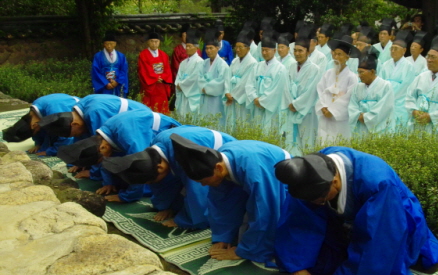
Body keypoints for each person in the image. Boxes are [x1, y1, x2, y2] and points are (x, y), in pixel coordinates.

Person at [273, 148, 438, 275]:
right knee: (318, 269)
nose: (317, 203)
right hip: (347, 224)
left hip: (393, 222)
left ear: (335, 181)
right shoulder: (310, 171)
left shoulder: (378, 184)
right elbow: (299, 219)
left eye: (321, 200)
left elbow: (378, 244)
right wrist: (299, 266)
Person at [170, 134, 291, 263]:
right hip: (255, 170)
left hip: (278, 176)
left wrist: (244, 250)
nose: (203, 185)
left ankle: (253, 249)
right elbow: (221, 203)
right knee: (222, 196)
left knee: (266, 212)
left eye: (204, 181)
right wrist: (222, 237)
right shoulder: (219, 160)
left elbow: (265, 212)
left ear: (219, 168)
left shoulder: (254, 172)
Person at [102, 126, 236, 229]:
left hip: (223, 162)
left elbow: (197, 192)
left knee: (204, 193)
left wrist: (185, 221)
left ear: (160, 168)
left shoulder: (186, 157)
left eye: (151, 181)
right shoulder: (158, 147)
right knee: (167, 183)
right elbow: (163, 185)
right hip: (201, 156)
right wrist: (167, 207)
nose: (153, 184)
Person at [57, 110, 180, 202]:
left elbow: (141, 166)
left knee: (149, 178)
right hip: (143, 133)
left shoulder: (129, 138)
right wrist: (108, 183)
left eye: (99, 160)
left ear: (103, 148)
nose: (101, 163)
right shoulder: (105, 136)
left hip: (170, 137)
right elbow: (107, 160)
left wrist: (126, 197)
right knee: (120, 177)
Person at [38, 94, 150, 179]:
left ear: (74, 124)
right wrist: (81, 161)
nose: (75, 136)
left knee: (134, 170)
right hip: (127, 124)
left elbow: (100, 149)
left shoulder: (96, 113)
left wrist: (93, 173)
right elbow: (82, 140)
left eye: (74, 133)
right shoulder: (80, 111)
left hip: (140, 125)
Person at [2, 93, 80, 156]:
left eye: (35, 131)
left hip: (78, 115)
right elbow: (37, 129)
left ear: (34, 126)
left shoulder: (54, 113)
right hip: (58, 106)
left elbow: (67, 137)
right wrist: (38, 144)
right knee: (42, 126)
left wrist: (51, 151)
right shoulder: (35, 109)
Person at [283, 29, 321, 154]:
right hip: (291, 108)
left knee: (306, 140)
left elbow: (311, 91)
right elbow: (286, 87)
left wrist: (296, 105)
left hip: (306, 111)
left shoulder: (315, 69)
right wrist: (290, 103)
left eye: (300, 50)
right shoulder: (291, 67)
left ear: (308, 52)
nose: (297, 53)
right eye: (295, 50)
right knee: (291, 140)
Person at [316, 35, 359, 144]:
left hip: (339, 119)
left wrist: (333, 111)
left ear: (347, 57)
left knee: (338, 143)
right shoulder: (328, 73)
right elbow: (320, 90)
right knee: (323, 142)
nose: (336, 57)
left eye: (339, 54)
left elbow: (348, 98)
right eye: (334, 53)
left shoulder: (352, 77)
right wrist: (323, 106)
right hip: (325, 115)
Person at [246, 29, 290, 133]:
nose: (264, 53)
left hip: (271, 109)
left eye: (267, 50)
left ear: (274, 51)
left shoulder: (281, 69)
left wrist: (262, 101)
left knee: (270, 132)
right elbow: (249, 84)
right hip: (257, 106)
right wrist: (254, 98)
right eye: (263, 50)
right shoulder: (257, 66)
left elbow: (277, 91)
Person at [349, 47, 395, 135]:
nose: (359, 75)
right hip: (360, 128)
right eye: (358, 72)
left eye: (362, 72)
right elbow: (352, 106)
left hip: (378, 129)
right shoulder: (357, 87)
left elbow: (384, 109)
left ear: (372, 71)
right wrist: (357, 115)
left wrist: (366, 118)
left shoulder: (386, 86)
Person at [379, 30, 416, 127]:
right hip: (385, 100)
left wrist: (392, 96)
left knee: (399, 128)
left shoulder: (409, 66)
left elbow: (407, 86)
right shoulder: (386, 65)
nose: (393, 51)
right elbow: (380, 82)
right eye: (391, 49)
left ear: (404, 50)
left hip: (401, 102)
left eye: (396, 49)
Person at [223, 29, 258, 128]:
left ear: (247, 48)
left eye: (240, 47)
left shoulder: (252, 63)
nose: (237, 50)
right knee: (230, 124)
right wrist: (227, 91)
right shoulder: (234, 61)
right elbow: (227, 77)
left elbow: (246, 82)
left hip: (242, 99)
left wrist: (233, 95)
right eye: (236, 47)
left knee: (242, 123)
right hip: (231, 97)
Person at [199, 28, 231, 124]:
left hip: (216, 99)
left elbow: (221, 81)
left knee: (216, 122)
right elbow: (199, 78)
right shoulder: (203, 63)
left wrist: (207, 88)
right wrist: (203, 87)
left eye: (211, 48)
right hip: (204, 97)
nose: (208, 51)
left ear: (217, 48)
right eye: (207, 48)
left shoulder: (223, 65)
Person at [138, 32, 173, 114]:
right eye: (152, 41)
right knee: (150, 108)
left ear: (159, 42)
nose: (154, 44)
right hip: (150, 86)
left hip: (161, 86)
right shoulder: (143, 55)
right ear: (148, 42)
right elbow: (144, 70)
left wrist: (162, 77)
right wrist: (156, 78)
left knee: (162, 107)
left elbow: (167, 69)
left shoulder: (164, 55)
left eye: (156, 41)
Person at [174, 29, 204, 117]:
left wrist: (181, 85)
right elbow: (178, 76)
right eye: (186, 46)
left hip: (192, 95)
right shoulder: (183, 62)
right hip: (183, 93)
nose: (187, 48)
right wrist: (178, 84)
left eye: (190, 46)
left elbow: (195, 78)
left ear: (196, 47)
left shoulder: (200, 62)